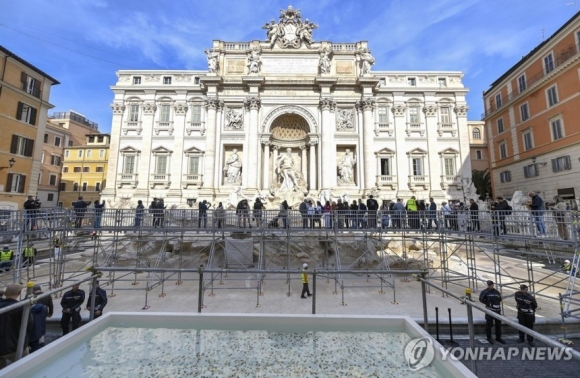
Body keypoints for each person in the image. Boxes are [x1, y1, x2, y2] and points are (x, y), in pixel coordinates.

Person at [0, 284, 33, 368]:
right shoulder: (21, 307)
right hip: (16, 346)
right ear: (19, 292)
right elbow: (29, 325)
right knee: (25, 369)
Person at [28, 285, 53, 353]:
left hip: (33, 315)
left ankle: (34, 341)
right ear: (40, 289)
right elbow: (51, 305)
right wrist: (50, 313)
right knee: (42, 326)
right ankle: (41, 341)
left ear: (33, 291)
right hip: (43, 314)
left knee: (35, 327)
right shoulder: (47, 295)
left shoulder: (32, 297)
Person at [479, 280, 505, 344]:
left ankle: (498, 337)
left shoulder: (497, 292)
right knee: (489, 324)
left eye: (491, 285)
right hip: (489, 310)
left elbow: (500, 299)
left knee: (498, 324)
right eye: (488, 285)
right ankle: (489, 338)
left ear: (493, 285)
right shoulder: (485, 292)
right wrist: (487, 303)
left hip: (497, 310)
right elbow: (481, 299)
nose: (489, 286)